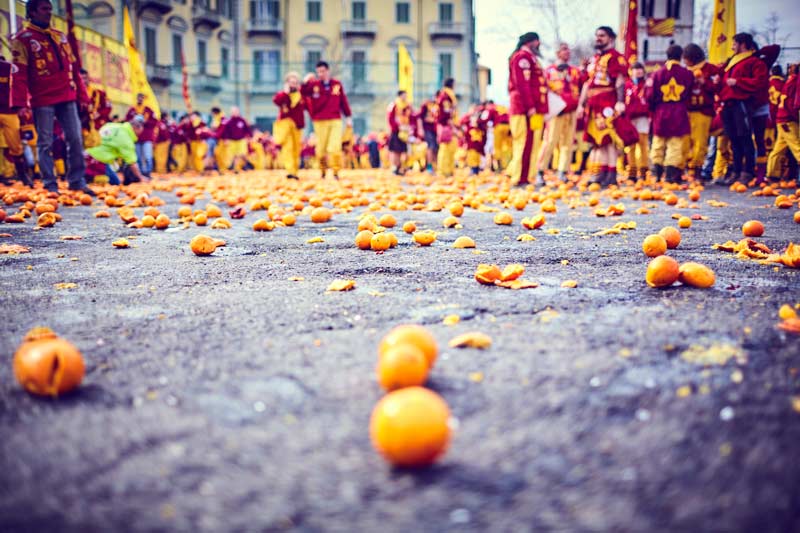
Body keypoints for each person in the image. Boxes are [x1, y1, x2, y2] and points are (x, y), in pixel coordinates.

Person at [10, 0, 93, 195]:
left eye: (50, 9)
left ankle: (77, 181)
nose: (49, 13)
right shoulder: (22, 39)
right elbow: (18, 74)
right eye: (44, 9)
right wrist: (20, 103)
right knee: (45, 142)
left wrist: (82, 95)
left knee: (75, 138)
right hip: (42, 98)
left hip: (67, 95)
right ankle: (50, 184)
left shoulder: (60, 37)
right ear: (32, 12)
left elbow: (73, 70)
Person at [577, 26, 629, 186]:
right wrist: (580, 104)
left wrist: (620, 101)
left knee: (609, 139)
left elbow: (620, 80)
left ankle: (611, 175)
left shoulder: (616, 57)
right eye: (597, 35)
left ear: (611, 38)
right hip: (593, 106)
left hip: (607, 103)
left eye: (602, 35)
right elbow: (587, 83)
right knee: (597, 141)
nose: (598, 38)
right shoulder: (594, 59)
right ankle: (601, 173)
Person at [717, 32, 768, 185]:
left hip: (742, 104)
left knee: (745, 137)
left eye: (734, 44)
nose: (732, 47)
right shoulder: (732, 62)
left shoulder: (755, 62)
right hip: (728, 104)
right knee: (733, 139)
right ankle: (736, 171)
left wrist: (738, 82)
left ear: (743, 44)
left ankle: (748, 171)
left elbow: (759, 82)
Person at [646, 45, 694, 183]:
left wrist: (654, 108)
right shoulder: (687, 73)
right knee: (675, 144)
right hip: (679, 111)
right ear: (681, 56)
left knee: (658, 142)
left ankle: (657, 175)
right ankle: (670, 176)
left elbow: (650, 95)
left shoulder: (657, 74)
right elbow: (690, 94)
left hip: (661, 111)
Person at [507, 32, 548, 186]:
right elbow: (522, 84)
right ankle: (518, 177)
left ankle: (527, 176)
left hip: (536, 110)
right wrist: (530, 106)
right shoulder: (521, 57)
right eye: (538, 42)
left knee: (534, 142)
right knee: (523, 143)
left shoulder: (531, 58)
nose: (539, 46)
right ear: (533, 42)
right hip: (524, 109)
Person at [538, 43, 582, 182]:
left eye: (568, 49)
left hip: (572, 111)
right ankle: (540, 170)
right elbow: (544, 89)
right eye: (564, 49)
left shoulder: (574, 71)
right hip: (557, 112)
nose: (567, 52)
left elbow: (582, 86)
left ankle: (563, 171)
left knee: (568, 143)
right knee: (550, 141)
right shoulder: (549, 71)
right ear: (557, 53)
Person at [301, 61, 352, 179]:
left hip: (335, 119)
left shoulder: (336, 84)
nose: (321, 74)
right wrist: (305, 81)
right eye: (318, 72)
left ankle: (335, 171)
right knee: (321, 149)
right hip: (319, 120)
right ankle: (323, 170)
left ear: (328, 71)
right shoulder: (314, 85)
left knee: (334, 147)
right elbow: (302, 93)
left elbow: (343, 101)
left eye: (323, 71)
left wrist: (348, 116)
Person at [682, 44, 721, 180]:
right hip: (686, 111)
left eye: (686, 58)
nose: (684, 61)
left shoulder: (710, 69)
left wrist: (704, 82)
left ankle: (697, 170)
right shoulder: (684, 71)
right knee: (685, 142)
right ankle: (686, 168)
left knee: (700, 142)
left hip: (703, 111)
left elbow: (719, 88)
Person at [86, 115, 146, 185]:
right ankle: (92, 178)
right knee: (115, 182)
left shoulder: (112, 125)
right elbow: (132, 163)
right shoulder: (126, 140)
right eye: (140, 130)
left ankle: (87, 175)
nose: (140, 134)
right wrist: (141, 178)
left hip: (87, 155)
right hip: (99, 161)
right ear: (135, 128)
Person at [0, 56, 31, 186]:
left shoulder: (9, 67)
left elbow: (21, 85)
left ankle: (23, 175)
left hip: (9, 111)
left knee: (16, 146)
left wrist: (21, 105)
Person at [766, 63, 799, 180]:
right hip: (788, 119)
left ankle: (772, 173)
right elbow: (791, 103)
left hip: (778, 118)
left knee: (779, 147)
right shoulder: (792, 82)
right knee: (797, 146)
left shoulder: (786, 82)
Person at [272, 71, 305, 180]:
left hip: (297, 126)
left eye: (295, 82)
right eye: (291, 82)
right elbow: (276, 101)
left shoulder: (301, 95)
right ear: (287, 83)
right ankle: (290, 171)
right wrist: (285, 92)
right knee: (288, 148)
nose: (293, 85)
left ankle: (295, 171)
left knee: (296, 149)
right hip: (285, 126)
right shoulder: (283, 95)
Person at [623, 62, 650, 181]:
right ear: (631, 71)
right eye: (635, 69)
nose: (638, 71)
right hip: (629, 119)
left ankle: (643, 171)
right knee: (630, 145)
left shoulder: (647, 85)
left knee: (643, 144)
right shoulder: (627, 85)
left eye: (640, 69)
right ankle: (632, 171)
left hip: (643, 117)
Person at [125, 93, 157, 177]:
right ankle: (139, 174)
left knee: (147, 156)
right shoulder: (132, 110)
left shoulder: (148, 110)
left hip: (147, 137)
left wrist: (145, 122)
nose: (140, 100)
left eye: (141, 98)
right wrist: (134, 122)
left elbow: (155, 122)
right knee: (137, 157)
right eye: (138, 98)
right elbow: (127, 120)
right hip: (136, 137)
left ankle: (148, 172)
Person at [436, 78, 459, 177]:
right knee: (446, 149)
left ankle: (448, 170)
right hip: (446, 125)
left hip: (449, 124)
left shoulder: (448, 95)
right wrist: (449, 122)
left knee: (451, 148)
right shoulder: (445, 96)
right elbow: (445, 111)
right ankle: (443, 171)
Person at [218, 106, 252, 172]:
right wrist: (226, 139)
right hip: (232, 141)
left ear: (238, 112)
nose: (234, 113)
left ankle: (246, 164)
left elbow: (247, 130)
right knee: (234, 155)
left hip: (241, 140)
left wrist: (249, 137)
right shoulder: (229, 122)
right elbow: (226, 132)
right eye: (233, 111)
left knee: (242, 154)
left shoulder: (242, 120)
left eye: (236, 111)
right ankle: (236, 168)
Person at [387, 90, 412, 175]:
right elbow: (390, 118)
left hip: (405, 132)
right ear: (399, 96)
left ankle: (401, 167)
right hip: (396, 131)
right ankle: (395, 167)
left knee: (402, 150)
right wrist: (397, 127)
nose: (405, 97)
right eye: (403, 95)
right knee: (395, 150)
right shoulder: (394, 105)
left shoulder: (407, 106)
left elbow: (411, 116)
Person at [417, 94, 439, 173]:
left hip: (436, 130)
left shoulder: (438, 105)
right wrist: (420, 129)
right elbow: (419, 117)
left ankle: (436, 166)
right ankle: (429, 166)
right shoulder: (426, 105)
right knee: (431, 147)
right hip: (428, 129)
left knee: (436, 148)